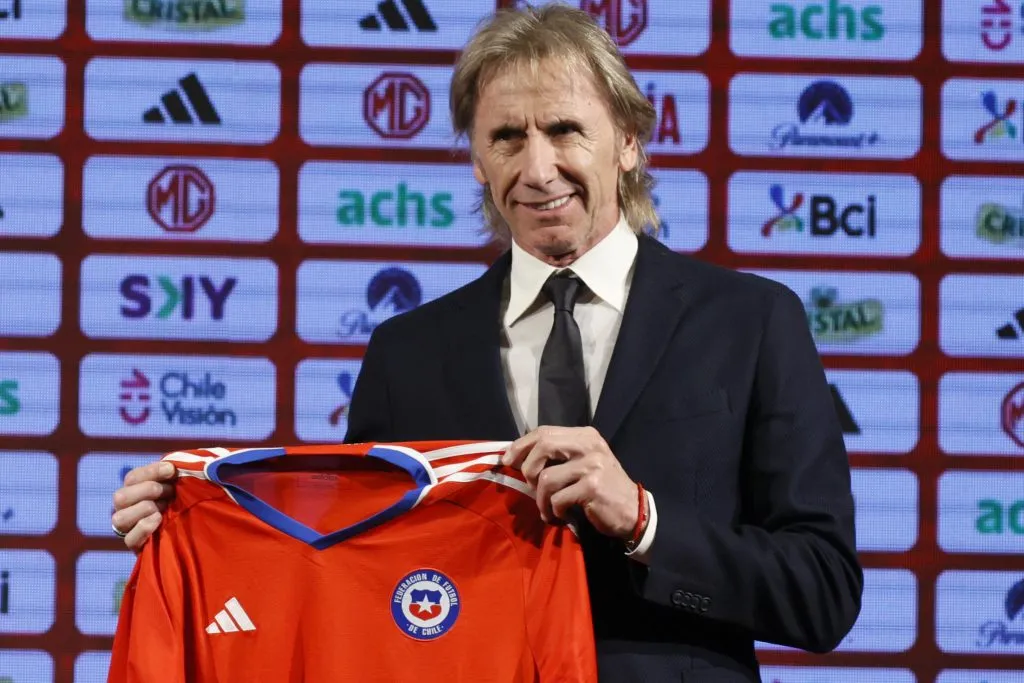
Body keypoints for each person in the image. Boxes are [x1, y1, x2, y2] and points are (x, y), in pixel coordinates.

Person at [112, 4, 863, 681]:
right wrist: (196, 527)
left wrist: (644, 519)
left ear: (629, 140)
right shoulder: (408, 353)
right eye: (507, 137)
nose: (538, 170)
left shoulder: (752, 321)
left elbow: (824, 594)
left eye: (565, 130)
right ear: (476, 159)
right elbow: (351, 580)